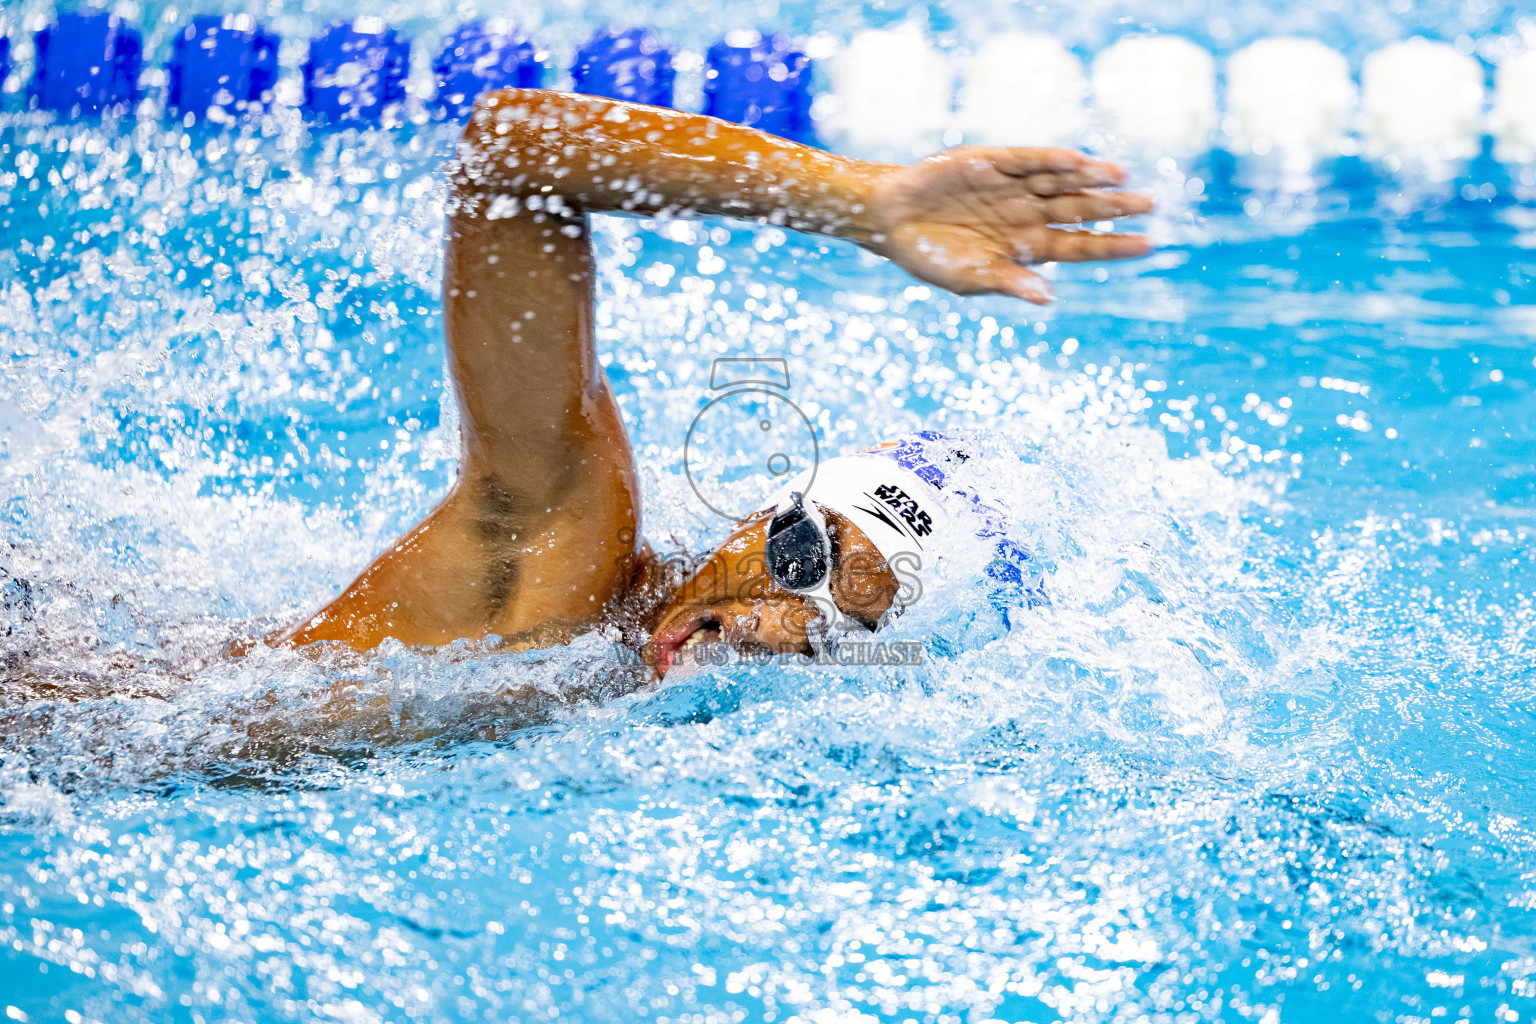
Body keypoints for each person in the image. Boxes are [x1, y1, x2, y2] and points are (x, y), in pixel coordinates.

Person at [271, 88, 1153, 676]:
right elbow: (512, 153)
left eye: (839, 628)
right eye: (800, 557)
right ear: (761, 513)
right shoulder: (559, 552)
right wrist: (858, 202)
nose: (767, 625)